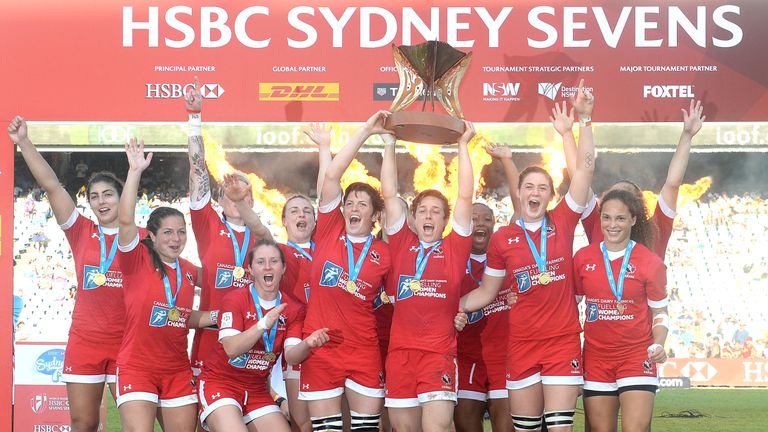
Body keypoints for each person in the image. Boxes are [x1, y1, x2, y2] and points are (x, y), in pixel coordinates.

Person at [460, 79, 595, 432]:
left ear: (551, 195)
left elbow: (585, 170)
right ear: (519, 194)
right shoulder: (503, 238)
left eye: (542, 188)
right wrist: (450, 305)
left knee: (561, 426)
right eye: (528, 187)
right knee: (526, 428)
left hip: (562, 340)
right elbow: (487, 292)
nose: (535, 192)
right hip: (520, 345)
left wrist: (581, 124)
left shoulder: (564, 221)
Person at [9, 115, 131, 431]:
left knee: (135, 425)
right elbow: (51, 185)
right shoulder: (81, 230)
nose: (101, 201)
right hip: (85, 340)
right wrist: (23, 142)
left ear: (122, 197)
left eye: (108, 194)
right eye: (94, 196)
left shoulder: (141, 238)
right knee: (84, 423)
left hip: (127, 343)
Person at [299, 111, 393, 432]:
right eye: (350, 202)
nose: (354, 208)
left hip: (363, 349)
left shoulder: (384, 254)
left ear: (375, 215)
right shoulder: (328, 229)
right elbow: (330, 177)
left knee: (367, 428)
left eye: (363, 204)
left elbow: (398, 295)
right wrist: (365, 131)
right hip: (320, 348)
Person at [379, 120, 475, 431]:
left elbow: (464, 197)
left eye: (436, 211)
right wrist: (389, 144)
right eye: (423, 210)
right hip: (400, 355)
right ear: (414, 217)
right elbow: (390, 193)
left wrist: (463, 146)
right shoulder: (401, 242)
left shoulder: (454, 248)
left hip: (438, 355)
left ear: (446, 220)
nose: (429, 216)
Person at [116, 138, 217, 431]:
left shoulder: (188, 271)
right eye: (169, 233)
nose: (176, 239)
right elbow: (125, 222)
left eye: (181, 233)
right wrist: (135, 171)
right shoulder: (136, 260)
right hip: (138, 368)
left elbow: (184, 316)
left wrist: (222, 317)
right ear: (152, 235)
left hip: (176, 370)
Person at [184, 79, 272, 377]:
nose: (237, 196)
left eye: (244, 193)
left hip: (253, 339)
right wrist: (194, 118)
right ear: (218, 199)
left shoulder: (260, 235)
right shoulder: (207, 224)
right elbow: (197, 170)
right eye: (231, 191)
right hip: (211, 338)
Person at [198, 239, 329, 432]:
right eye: (260, 262)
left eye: (274, 261)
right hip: (220, 383)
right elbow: (231, 349)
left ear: (283, 268)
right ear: (250, 269)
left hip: (256, 390)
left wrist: (307, 344)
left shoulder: (292, 308)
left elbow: (292, 356)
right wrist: (262, 324)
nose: (267, 266)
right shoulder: (235, 299)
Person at [573, 189, 669, 432]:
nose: (612, 225)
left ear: (633, 220)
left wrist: (658, 343)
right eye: (607, 217)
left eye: (620, 218)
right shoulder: (583, 258)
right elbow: (569, 307)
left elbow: (660, 313)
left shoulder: (650, 262)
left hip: (636, 357)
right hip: (595, 358)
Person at [561, 99, 705, 258]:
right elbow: (579, 178)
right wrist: (570, 131)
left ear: (638, 208)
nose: (618, 201)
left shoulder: (656, 229)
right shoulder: (599, 225)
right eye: (613, 196)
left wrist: (687, 135)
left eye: (626, 196)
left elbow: (673, 184)